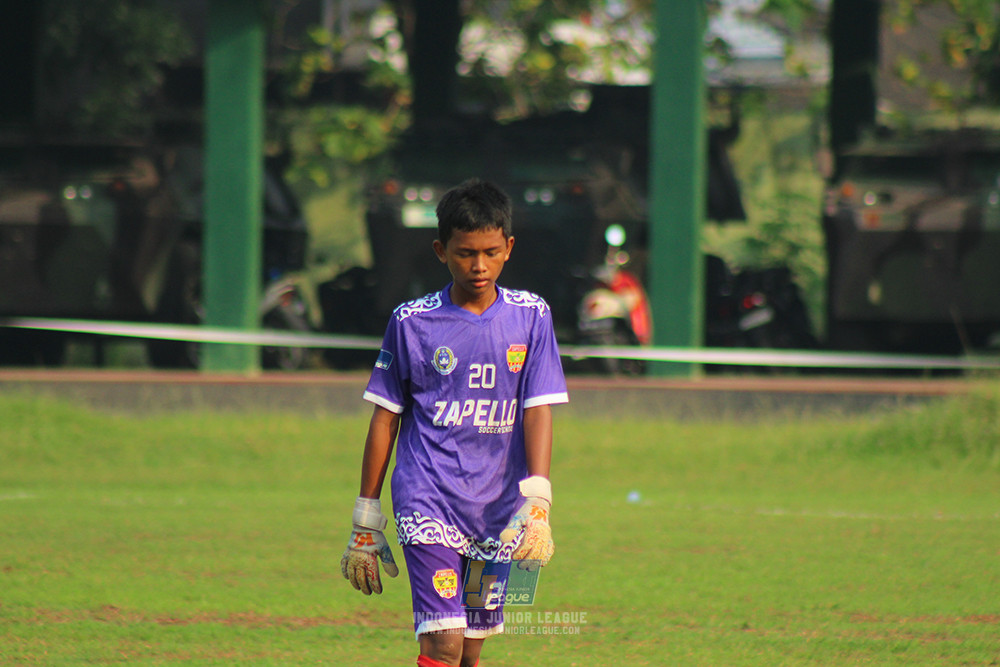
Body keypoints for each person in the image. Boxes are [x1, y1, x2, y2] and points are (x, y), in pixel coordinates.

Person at [341, 177, 569, 667]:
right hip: (429, 500)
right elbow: (385, 419)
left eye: (490, 251)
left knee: (469, 649)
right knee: (442, 643)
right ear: (441, 250)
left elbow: (538, 407)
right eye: (466, 253)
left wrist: (538, 501)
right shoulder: (412, 322)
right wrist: (366, 517)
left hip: (498, 511)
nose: (479, 265)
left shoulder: (532, 317)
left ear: (508, 247)